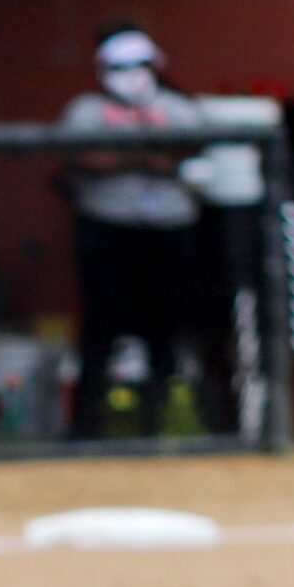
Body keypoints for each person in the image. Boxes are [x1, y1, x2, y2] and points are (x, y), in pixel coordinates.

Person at [59, 25, 203, 440]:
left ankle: (158, 423)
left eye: (139, 65)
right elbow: (86, 156)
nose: (131, 75)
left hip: (168, 230)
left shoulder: (178, 108)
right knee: (100, 331)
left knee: (165, 329)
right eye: (119, 67)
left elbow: (190, 148)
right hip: (107, 230)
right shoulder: (86, 110)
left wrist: (125, 154)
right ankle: (87, 428)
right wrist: (146, 155)